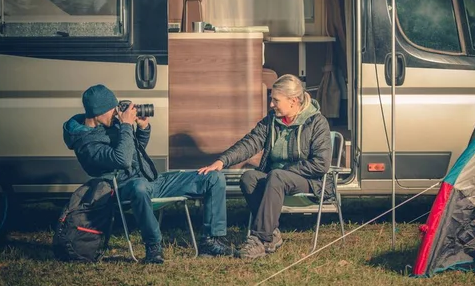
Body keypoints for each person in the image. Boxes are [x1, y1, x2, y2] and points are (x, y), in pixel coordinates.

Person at [63, 84, 233, 264]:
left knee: (214, 177)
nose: (115, 112)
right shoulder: (86, 143)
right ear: (97, 112)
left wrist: (142, 129)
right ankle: (153, 245)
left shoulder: (111, 125)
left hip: (153, 180)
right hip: (123, 187)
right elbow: (122, 160)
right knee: (139, 186)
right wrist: (127, 125)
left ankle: (211, 241)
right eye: (112, 109)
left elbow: (134, 153)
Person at [199, 74, 332, 259]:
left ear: (293, 101)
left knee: (276, 175)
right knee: (249, 178)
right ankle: (272, 233)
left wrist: (283, 172)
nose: (271, 104)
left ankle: (260, 239)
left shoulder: (317, 123)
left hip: (309, 181)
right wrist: (222, 161)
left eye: (275, 100)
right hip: (277, 179)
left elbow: (321, 164)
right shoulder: (272, 121)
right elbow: (250, 143)